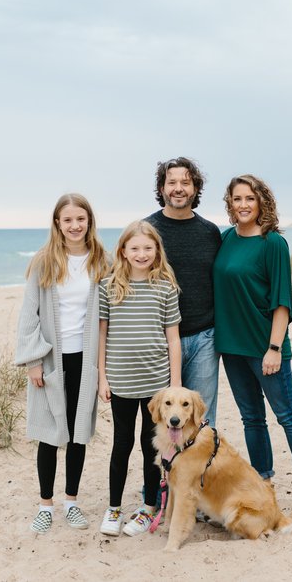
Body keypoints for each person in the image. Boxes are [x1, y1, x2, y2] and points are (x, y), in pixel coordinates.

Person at [212, 174, 292, 519]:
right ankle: (264, 486)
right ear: (229, 203)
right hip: (231, 346)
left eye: (250, 198)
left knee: (288, 415)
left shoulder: (273, 243)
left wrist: (274, 348)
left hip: (265, 347)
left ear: (261, 203)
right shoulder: (226, 238)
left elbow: (281, 303)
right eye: (237, 199)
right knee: (252, 419)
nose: (243, 205)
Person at [14, 193, 108, 534]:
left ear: (89, 221)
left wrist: (105, 369)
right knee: (50, 433)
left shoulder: (102, 261)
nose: (74, 225)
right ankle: (45, 505)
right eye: (67, 220)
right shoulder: (44, 262)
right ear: (58, 223)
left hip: (85, 359)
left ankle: (71, 502)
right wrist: (33, 361)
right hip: (51, 358)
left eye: (80, 219)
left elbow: (108, 317)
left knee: (78, 432)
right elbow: (29, 315)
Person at [97, 220, 182, 537]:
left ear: (157, 250)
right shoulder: (109, 287)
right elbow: (102, 336)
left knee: (152, 448)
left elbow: (173, 339)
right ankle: (114, 507)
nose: (142, 253)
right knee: (121, 444)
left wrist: (174, 385)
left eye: (148, 248)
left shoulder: (165, 288)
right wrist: (101, 378)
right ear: (123, 251)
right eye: (135, 248)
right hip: (120, 381)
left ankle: (149, 508)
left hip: (157, 386)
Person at [145, 157, 223, 425]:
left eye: (186, 182)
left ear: (195, 188)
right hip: (159, 340)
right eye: (172, 182)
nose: (179, 188)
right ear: (162, 188)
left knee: (202, 417)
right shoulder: (147, 231)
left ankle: (201, 468)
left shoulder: (210, 232)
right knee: (163, 418)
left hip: (204, 338)